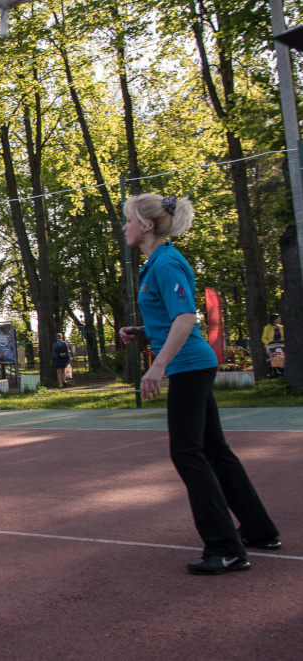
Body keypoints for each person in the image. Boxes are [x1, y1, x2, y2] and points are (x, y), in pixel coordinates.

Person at [119, 193, 280, 575]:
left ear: (147, 225)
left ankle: (224, 548)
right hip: (193, 364)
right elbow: (170, 318)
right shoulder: (156, 263)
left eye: (129, 220)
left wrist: (157, 367)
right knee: (215, 451)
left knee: (187, 453)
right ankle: (259, 530)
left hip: (189, 367)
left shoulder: (167, 262)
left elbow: (187, 318)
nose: (124, 226)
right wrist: (141, 332)